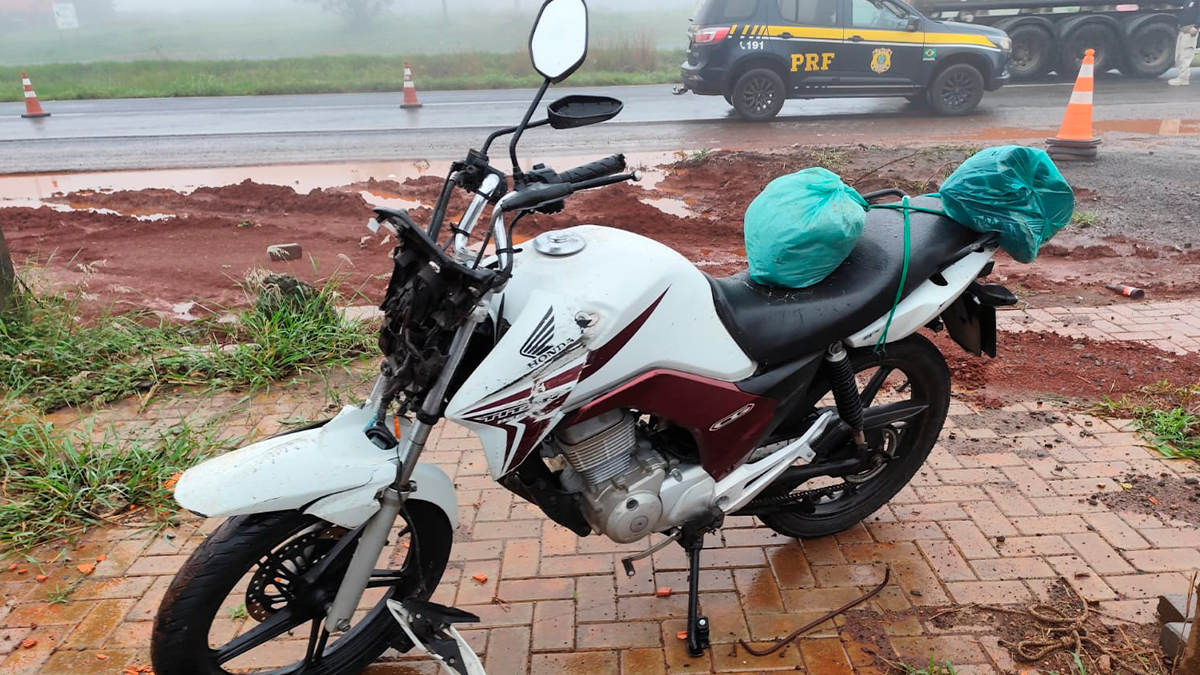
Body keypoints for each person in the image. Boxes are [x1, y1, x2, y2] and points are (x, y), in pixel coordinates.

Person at [1169, 0, 1200, 86]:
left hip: (1190, 30)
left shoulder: (1197, 2)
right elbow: (1175, 3)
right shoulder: (1187, 1)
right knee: (1178, 55)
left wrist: (1197, 26)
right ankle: (1180, 76)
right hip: (1183, 30)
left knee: (1185, 55)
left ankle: (1184, 78)